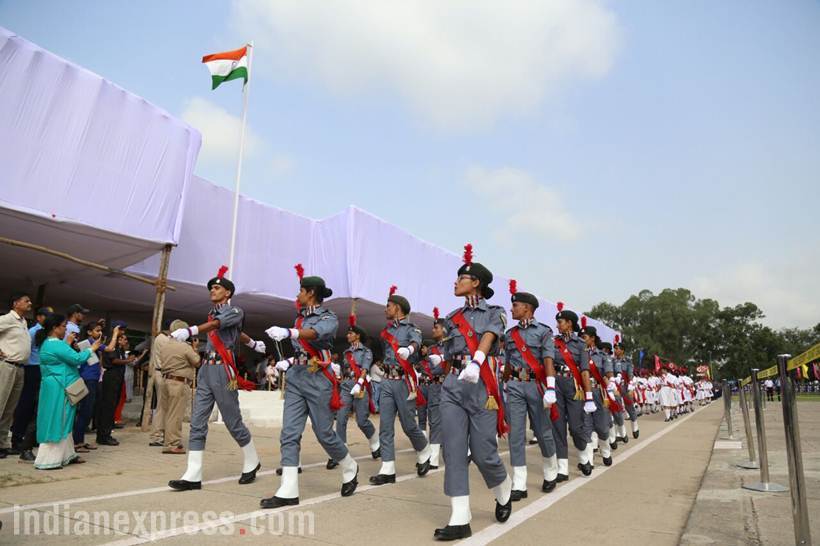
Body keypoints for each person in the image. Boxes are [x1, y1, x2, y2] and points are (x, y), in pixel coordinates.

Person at [260, 264, 358, 508]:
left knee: (324, 433)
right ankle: (288, 490)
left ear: (311, 292)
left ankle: (349, 465)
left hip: (318, 379)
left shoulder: (328, 317)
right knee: (289, 433)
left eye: (301, 291)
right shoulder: (299, 318)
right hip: (297, 377)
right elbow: (301, 347)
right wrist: (288, 361)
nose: (298, 295)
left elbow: (315, 334)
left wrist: (289, 332)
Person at [433, 244, 512, 541]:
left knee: (483, 453)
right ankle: (460, 516)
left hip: (482, 385)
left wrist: (478, 361)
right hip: (454, 385)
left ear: (475, 282)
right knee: (453, 450)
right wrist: (437, 359)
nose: (455, 283)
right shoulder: (453, 317)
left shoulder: (496, 312)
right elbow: (449, 349)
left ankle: (503, 493)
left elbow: (490, 336)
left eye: (460, 279)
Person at [168, 266, 263, 491]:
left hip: (223, 370)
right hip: (206, 370)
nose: (213, 290)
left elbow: (220, 325)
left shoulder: (235, 311)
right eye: (211, 287)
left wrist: (190, 331)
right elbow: (233, 332)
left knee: (232, 421)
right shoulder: (213, 314)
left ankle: (252, 460)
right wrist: (252, 342)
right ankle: (193, 474)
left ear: (228, 293)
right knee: (197, 421)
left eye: (217, 288)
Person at [368, 285, 432, 486]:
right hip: (387, 380)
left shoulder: (412, 329)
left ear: (397, 308)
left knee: (408, 425)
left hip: (404, 382)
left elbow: (416, 342)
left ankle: (423, 450)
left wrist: (408, 349)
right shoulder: (386, 331)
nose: (385, 309)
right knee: (385, 426)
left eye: (388, 306)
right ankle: (388, 468)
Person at [502, 280, 559, 501]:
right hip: (515, 385)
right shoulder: (510, 334)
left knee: (543, 430)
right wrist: (503, 385)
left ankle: (550, 470)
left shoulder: (544, 332)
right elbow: (507, 363)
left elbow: (548, 361)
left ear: (527, 308)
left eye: (515, 306)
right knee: (515, 433)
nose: (512, 309)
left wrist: (551, 388)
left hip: (537, 386)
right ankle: (519, 481)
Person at [35, 313, 101, 469]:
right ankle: (49, 460)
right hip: (59, 387)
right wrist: (92, 348)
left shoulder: (52, 343)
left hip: (57, 385)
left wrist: (68, 343)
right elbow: (77, 359)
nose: (66, 329)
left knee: (63, 419)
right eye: (63, 326)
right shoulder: (55, 344)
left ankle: (67, 454)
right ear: (54, 328)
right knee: (58, 419)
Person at [550, 303, 595, 481]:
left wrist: (589, 396)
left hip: (574, 387)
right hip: (557, 385)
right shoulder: (553, 342)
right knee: (558, 427)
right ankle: (562, 469)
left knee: (576, 427)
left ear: (569, 323)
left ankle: (584, 457)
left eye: (560, 322)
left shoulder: (581, 344)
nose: (558, 325)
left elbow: (584, 370)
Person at [330, 310, 379, 468]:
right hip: (346, 386)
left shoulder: (366, 352)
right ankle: (340, 453)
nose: (348, 335)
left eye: (350, 333)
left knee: (362, 421)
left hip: (360, 386)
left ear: (357, 335)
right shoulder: (346, 353)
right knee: (341, 417)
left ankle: (375, 443)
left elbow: (364, 368)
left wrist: (359, 382)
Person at [12, 306, 52, 462]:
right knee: (26, 405)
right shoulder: (33, 332)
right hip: (31, 370)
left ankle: (29, 439)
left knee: (36, 406)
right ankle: (17, 439)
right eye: (46, 316)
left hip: (40, 369)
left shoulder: (45, 333)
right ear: (39, 317)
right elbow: (26, 350)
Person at [73, 320, 119, 452]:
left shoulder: (91, 342)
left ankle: (80, 440)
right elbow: (110, 349)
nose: (100, 333)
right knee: (85, 411)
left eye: (100, 330)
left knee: (88, 411)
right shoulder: (89, 343)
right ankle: (77, 442)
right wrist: (114, 334)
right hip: (88, 379)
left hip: (93, 378)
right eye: (97, 330)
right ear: (89, 332)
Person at [158, 320, 201, 454]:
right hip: (178, 382)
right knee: (175, 415)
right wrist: (195, 348)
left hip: (166, 380)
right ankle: (172, 443)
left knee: (168, 413)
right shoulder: (184, 347)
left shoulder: (166, 345)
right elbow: (197, 362)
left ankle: (168, 440)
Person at [0, 293, 32, 459]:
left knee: (9, 408)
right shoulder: (7, 318)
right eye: (26, 301)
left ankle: (3, 444)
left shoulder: (23, 321)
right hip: (7, 366)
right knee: (0, 404)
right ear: (16, 303)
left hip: (20, 368)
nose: (30, 303)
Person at [96, 331, 134, 446]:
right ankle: (103, 435)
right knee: (108, 406)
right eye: (123, 339)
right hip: (111, 377)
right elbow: (114, 360)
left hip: (117, 378)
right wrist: (128, 360)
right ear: (118, 339)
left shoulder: (120, 349)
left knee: (112, 406)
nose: (125, 341)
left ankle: (106, 433)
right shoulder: (112, 348)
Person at [147, 326, 172, 447]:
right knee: (162, 407)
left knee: (163, 406)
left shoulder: (160, 338)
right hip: (162, 373)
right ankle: (156, 435)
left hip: (160, 372)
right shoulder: (165, 339)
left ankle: (160, 434)